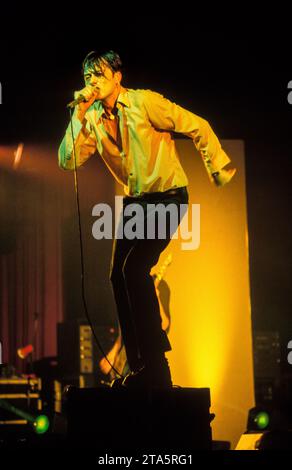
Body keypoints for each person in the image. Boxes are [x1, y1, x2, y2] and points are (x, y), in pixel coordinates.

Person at [58, 50, 236, 389]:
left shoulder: (144, 103)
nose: (91, 82)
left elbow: (197, 124)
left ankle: (157, 363)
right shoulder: (92, 116)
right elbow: (67, 160)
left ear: (117, 76)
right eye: (86, 77)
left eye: (98, 74)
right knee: (116, 277)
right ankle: (139, 365)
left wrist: (217, 165)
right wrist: (78, 115)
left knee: (134, 270)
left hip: (168, 196)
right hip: (136, 202)